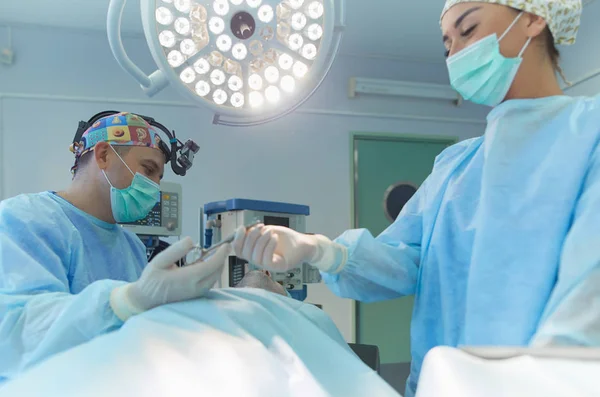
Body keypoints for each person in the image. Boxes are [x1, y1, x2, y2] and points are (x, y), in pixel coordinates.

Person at [233, 1, 600, 396]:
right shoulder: (456, 166)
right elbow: (403, 260)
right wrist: (318, 251)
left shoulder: (588, 134)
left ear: (533, 18)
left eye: (468, 29)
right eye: (447, 44)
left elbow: (589, 293)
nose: (456, 52)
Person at [0, 112, 229, 384]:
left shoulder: (131, 245)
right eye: (148, 169)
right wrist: (123, 301)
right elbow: (16, 333)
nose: (156, 187)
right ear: (104, 155)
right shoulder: (24, 218)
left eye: (159, 176)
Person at [0, 272, 400, 397]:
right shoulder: (203, 300)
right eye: (148, 170)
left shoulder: (292, 313)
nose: (265, 281)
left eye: (272, 282)